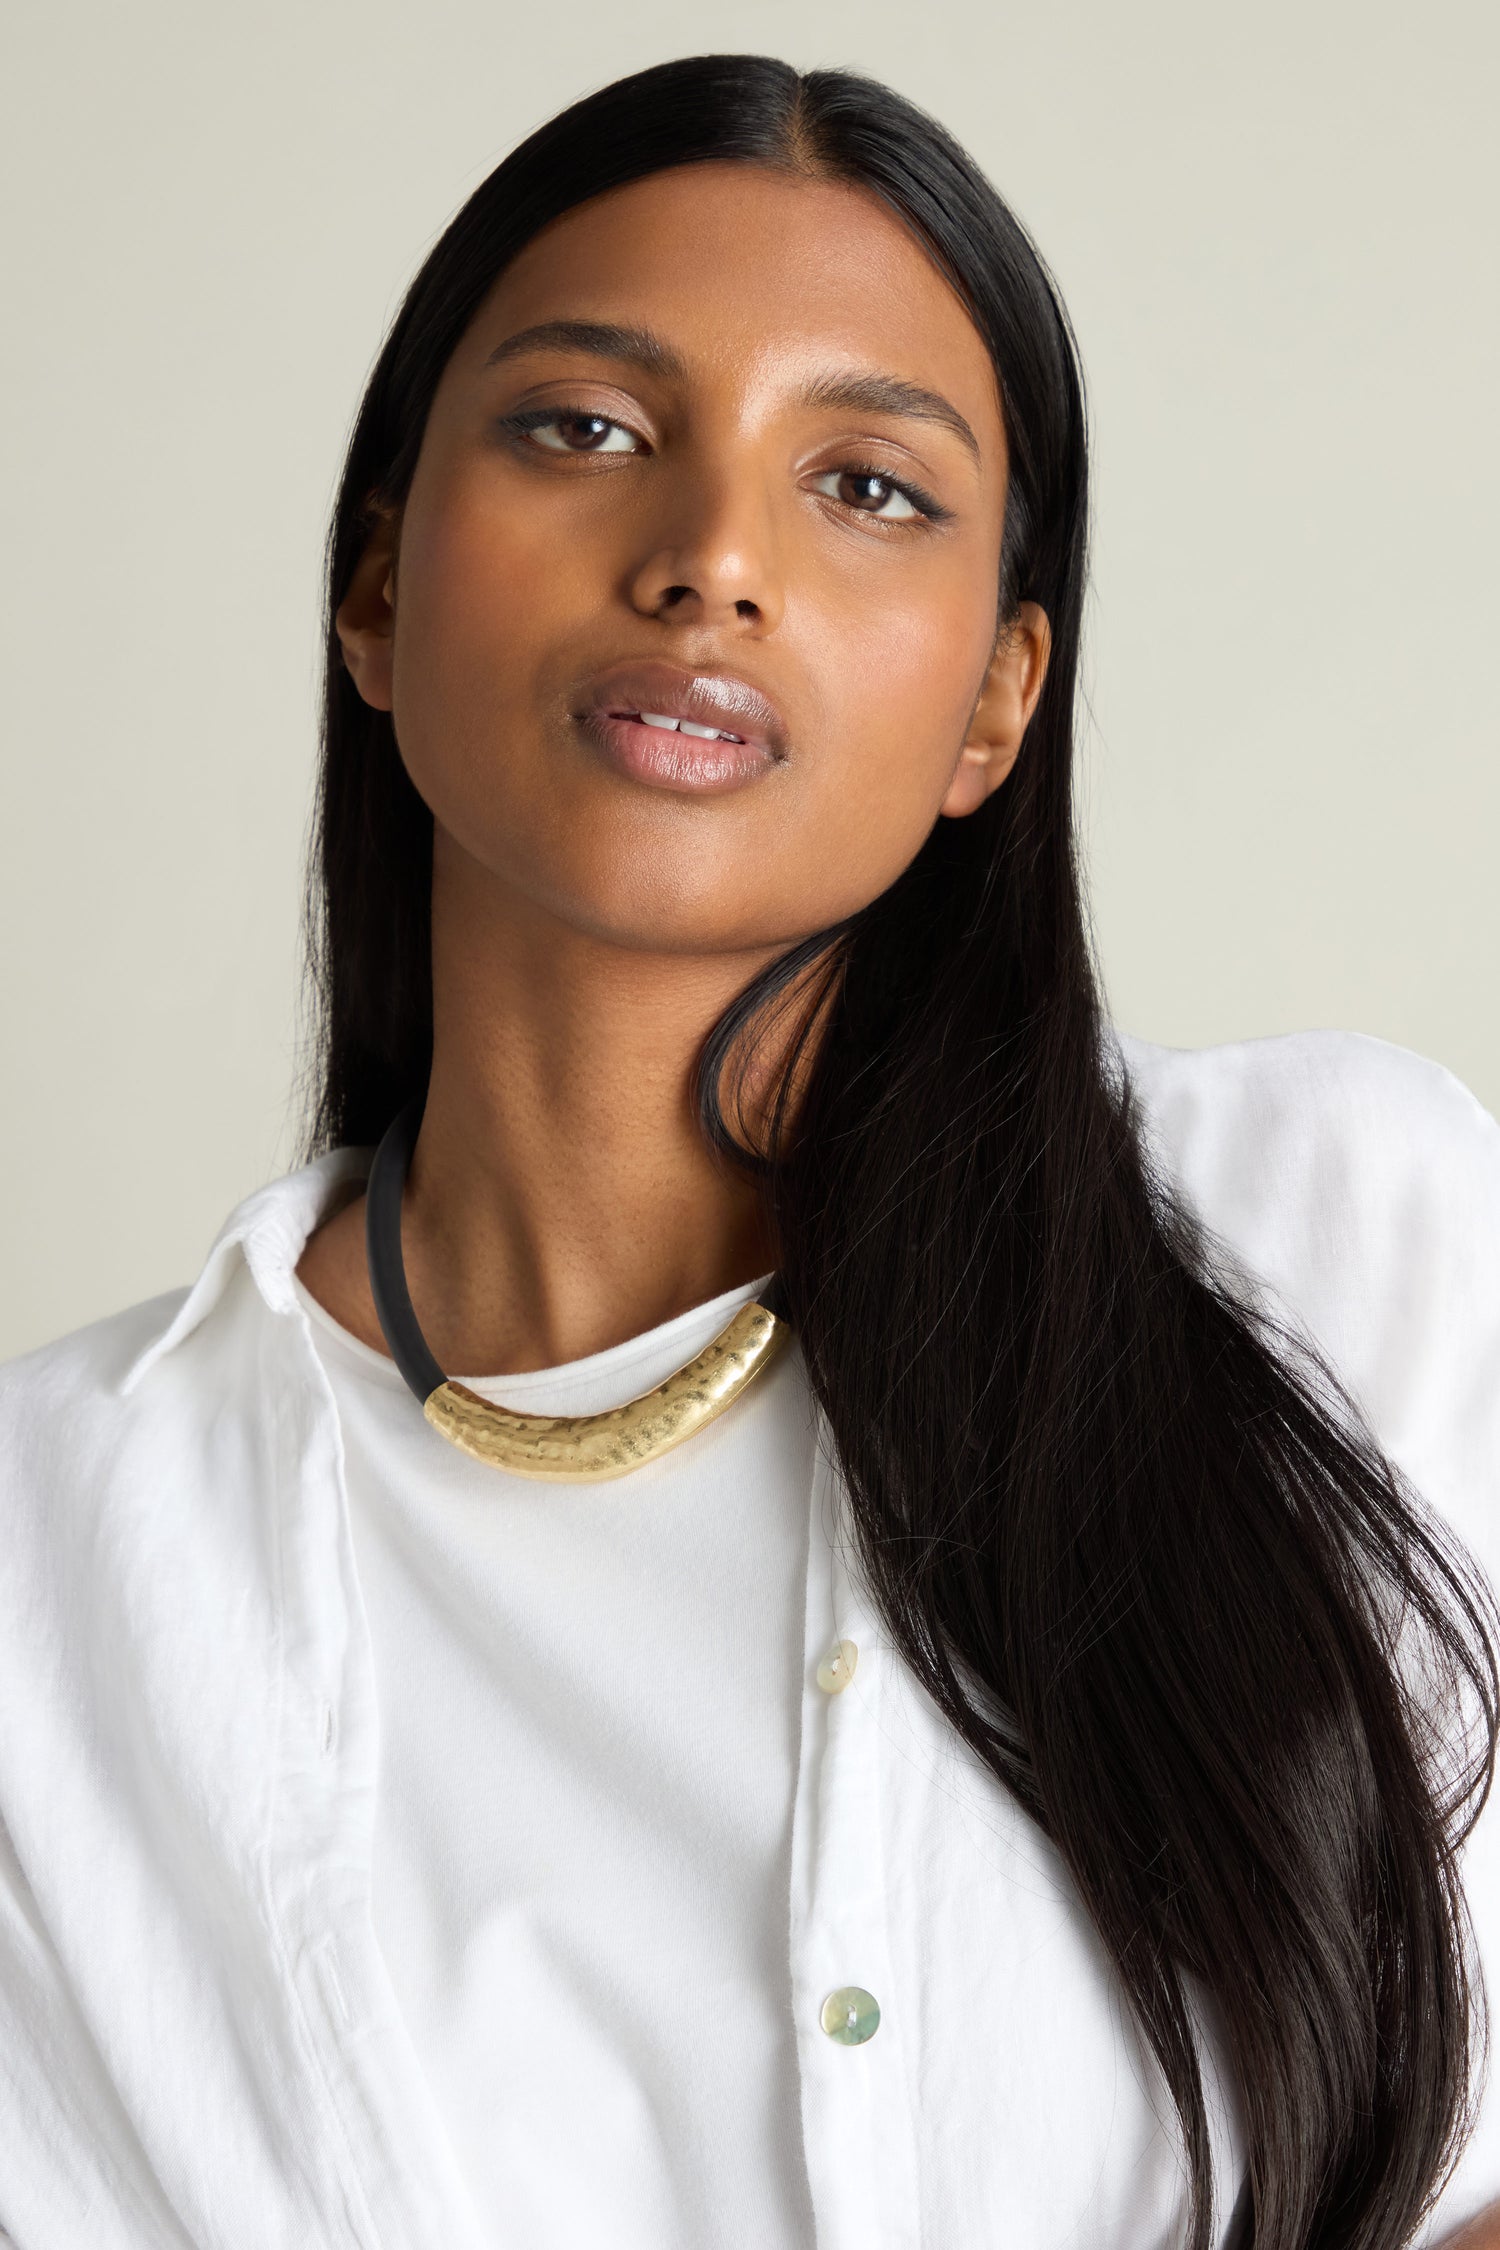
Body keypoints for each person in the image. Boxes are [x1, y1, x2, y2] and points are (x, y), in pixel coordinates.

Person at [1, 52, 1496, 2250]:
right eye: (584, 429)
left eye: (869, 485)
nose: (707, 558)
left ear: (998, 701)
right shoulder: (53, 1573)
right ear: (380, 590)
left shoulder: (1354, 1231)